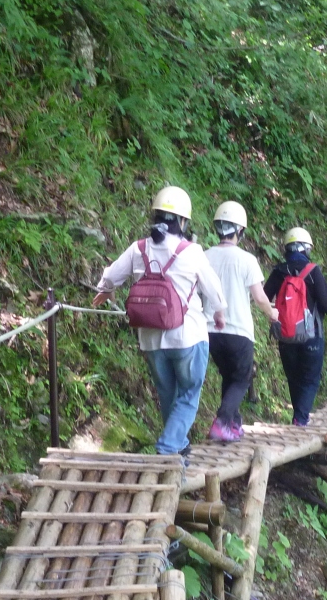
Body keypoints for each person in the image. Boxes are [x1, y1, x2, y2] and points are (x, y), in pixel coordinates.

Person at [93, 185, 227, 459]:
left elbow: (110, 277)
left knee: (168, 395)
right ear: (182, 221)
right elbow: (214, 290)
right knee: (189, 394)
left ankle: (178, 452)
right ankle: (169, 447)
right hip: (188, 335)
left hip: (151, 339)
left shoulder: (138, 248)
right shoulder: (191, 251)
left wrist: (105, 290)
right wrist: (219, 312)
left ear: (155, 215)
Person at [205, 200, 278, 442]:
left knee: (230, 376)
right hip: (238, 331)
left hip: (210, 331)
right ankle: (222, 421)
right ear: (240, 231)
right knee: (242, 378)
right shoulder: (247, 260)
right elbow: (259, 297)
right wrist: (272, 314)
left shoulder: (204, 257)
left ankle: (233, 424)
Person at [265, 227, 327, 425]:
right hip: (311, 335)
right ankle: (300, 418)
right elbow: (326, 303)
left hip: (286, 335)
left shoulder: (278, 272)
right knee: (310, 378)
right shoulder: (312, 271)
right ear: (306, 248)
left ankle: (299, 417)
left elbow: (264, 297)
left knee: (293, 377)